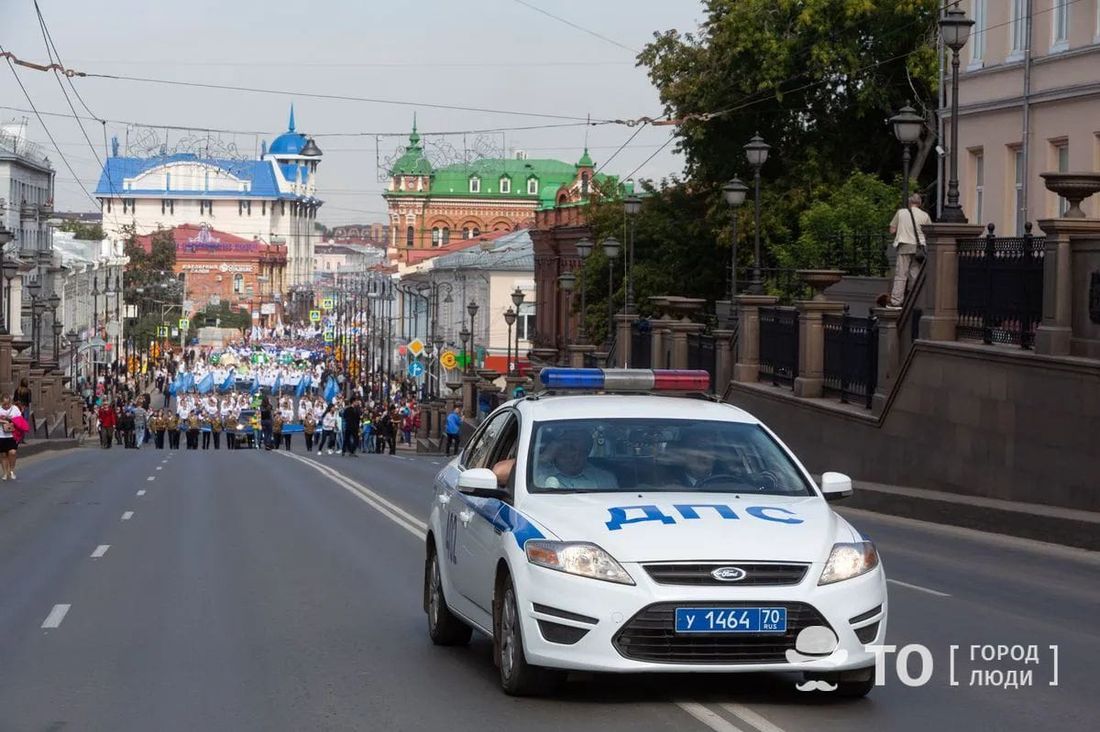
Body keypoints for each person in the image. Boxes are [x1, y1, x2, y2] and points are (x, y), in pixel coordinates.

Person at [534, 426, 618, 491]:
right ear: (558, 449)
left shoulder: (605, 479)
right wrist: (545, 457)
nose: (576, 456)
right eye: (571, 449)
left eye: (583, 451)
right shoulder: (536, 475)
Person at [887, 192, 931, 308]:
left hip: (904, 245)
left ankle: (896, 301)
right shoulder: (925, 215)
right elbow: (929, 232)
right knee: (915, 274)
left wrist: (901, 231)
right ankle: (914, 301)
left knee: (901, 274)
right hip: (919, 248)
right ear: (920, 203)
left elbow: (892, 230)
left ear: (909, 202)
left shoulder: (901, 213)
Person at [0, 393, 27, 480]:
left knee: (12, 453)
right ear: (1, 402)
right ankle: (5, 473)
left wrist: (12, 421)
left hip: (12, 435)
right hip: (1, 435)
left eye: (8, 404)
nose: (6, 406)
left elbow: (20, 419)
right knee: (3, 454)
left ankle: (11, 470)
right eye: (4, 404)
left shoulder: (14, 409)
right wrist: (4, 421)